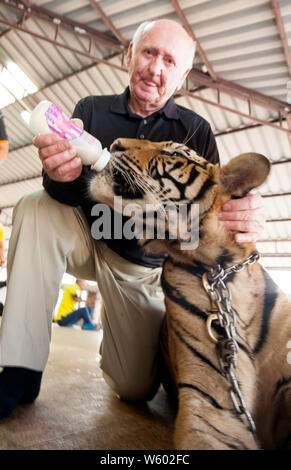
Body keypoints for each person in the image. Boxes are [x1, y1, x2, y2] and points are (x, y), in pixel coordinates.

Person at [0, 19, 267, 420]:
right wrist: (61, 175)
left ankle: (123, 332)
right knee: (36, 206)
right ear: (130, 55)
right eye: (149, 52)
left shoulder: (196, 131)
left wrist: (246, 211)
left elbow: (207, 211)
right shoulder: (90, 109)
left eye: (169, 61)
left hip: (140, 268)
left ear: (181, 78)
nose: (155, 68)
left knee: (135, 388)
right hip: (88, 239)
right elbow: (63, 197)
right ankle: (20, 369)